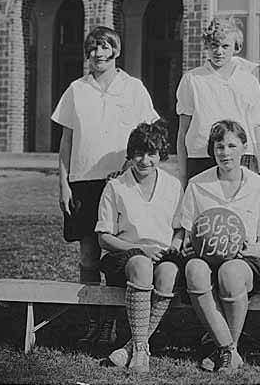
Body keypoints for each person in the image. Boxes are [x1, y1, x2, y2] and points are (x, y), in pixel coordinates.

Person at [51, 26, 160, 352]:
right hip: (83, 183)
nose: (98, 54)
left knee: (116, 252)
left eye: (104, 47)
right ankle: (92, 321)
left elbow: (148, 135)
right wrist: (63, 183)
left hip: (121, 183)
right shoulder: (76, 89)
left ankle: (112, 322)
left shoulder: (134, 88)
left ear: (116, 50)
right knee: (88, 255)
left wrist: (130, 169)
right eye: (93, 49)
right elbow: (67, 140)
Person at [179, 120, 260, 373]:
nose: (225, 152)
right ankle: (228, 349)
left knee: (230, 272)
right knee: (194, 270)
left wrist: (247, 251)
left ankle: (225, 346)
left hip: (246, 261)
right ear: (212, 150)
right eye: (219, 146)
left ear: (244, 148)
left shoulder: (259, 186)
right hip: (207, 258)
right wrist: (190, 247)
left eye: (232, 145)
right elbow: (186, 235)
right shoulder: (197, 184)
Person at [95, 121, 184, 373]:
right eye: (138, 153)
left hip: (163, 256)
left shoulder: (173, 185)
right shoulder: (116, 186)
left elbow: (179, 228)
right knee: (142, 265)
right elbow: (104, 237)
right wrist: (140, 249)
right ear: (130, 154)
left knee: (169, 274)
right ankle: (142, 350)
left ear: (161, 154)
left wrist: (174, 246)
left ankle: (131, 347)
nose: (145, 160)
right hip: (125, 256)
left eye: (151, 153)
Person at [176, 17, 260, 188]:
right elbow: (183, 132)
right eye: (214, 45)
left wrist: (259, 170)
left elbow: (256, 130)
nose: (219, 51)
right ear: (207, 47)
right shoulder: (192, 79)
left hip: (242, 157)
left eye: (225, 46)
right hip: (201, 157)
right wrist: (183, 173)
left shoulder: (249, 81)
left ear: (236, 47)